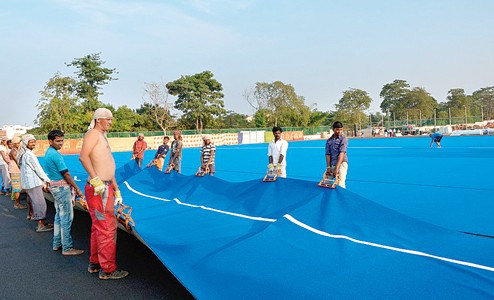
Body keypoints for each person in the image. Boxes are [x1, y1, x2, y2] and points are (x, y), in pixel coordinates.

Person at [79, 108, 129, 280]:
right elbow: (83, 157)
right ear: (99, 119)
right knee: (107, 227)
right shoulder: (93, 134)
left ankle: (95, 263)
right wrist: (96, 180)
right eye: (108, 119)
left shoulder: (102, 136)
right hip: (99, 189)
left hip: (105, 187)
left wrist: (116, 189)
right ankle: (107, 269)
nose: (111, 122)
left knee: (98, 226)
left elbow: (107, 165)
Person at [44, 130, 84, 256]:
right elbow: (66, 173)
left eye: (62, 140)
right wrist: (77, 188)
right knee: (66, 217)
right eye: (58, 141)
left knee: (58, 216)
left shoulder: (49, 153)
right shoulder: (56, 155)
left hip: (55, 188)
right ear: (50, 141)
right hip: (61, 189)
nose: (61, 143)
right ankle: (67, 247)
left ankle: (57, 243)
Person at [20, 134, 53, 232]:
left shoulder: (26, 154)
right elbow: (37, 169)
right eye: (31, 142)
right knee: (40, 203)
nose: (33, 143)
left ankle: (42, 222)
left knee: (36, 202)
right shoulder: (29, 155)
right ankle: (41, 225)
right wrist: (47, 180)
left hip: (29, 183)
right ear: (26, 143)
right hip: (33, 183)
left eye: (34, 141)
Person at [325, 121, 349, 188]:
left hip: (341, 164)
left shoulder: (343, 139)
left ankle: (341, 198)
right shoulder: (329, 141)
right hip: (333, 164)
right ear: (333, 129)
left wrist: (337, 168)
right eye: (337, 129)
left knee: (340, 184)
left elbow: (342, 154)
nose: (339, 131)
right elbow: (328, 154)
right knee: (327, 182)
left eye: (341, 129)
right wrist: (328, 167)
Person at [8, 137, 26, 209]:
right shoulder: (14, 151)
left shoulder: (15, 150)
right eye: (19, 142)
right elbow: (18, 162)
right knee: (17, 188)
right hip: (15, 172)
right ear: (16, 144)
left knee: (17, 188)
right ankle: (17, 204)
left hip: (16, 171)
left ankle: (17, 203)